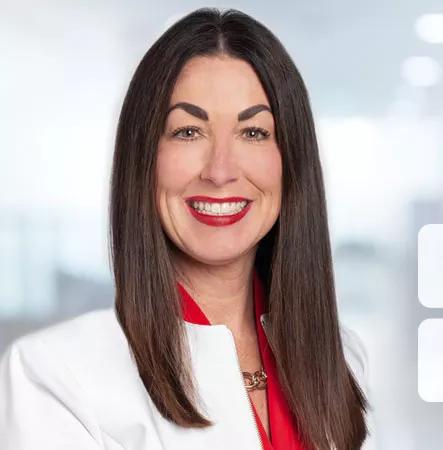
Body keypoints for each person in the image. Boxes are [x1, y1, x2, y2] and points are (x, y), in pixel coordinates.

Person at [0, 7, 374, 450]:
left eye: (253, 132)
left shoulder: (341, 358)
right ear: (144, 159)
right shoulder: (55, 377)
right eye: (188, 132)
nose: (220, 171)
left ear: (290, 161)